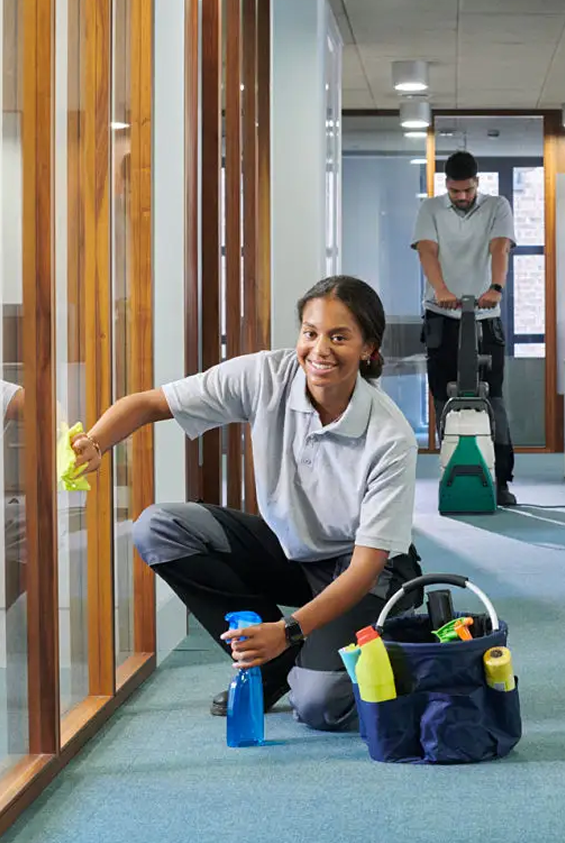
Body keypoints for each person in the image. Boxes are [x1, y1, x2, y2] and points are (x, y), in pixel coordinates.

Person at [69, 275, 423, 729]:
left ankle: (379, 641)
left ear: (368, 348)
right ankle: (273, 665)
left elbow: (365, 568)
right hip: (292, 551)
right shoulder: (264, 376)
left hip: (363, 570)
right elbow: (150, 403)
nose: (319, 350)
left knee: (320, 705)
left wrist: (288, 629)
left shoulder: (390, 436)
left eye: (339, 337)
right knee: (159, 528)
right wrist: (95, 443)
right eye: (310, 333)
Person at [411, 149, 518, 506]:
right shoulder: (430, 209)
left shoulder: (497, 206)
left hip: (485, 316)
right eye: (455, 191)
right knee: (444, 397)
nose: (461, 197)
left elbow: (500, 247)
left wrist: (496, 288)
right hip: (441, 316)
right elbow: (427, 250)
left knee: (493, 397)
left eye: (467, 190)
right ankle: (451, 471)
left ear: (477, 183)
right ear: (446, 185)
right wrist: (441, 290)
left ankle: (501, 481)